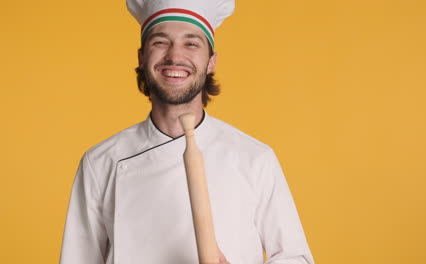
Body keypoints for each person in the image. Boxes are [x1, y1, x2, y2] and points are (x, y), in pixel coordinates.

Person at [60, 0, 314, 263]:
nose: (174, 56)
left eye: (191, 44)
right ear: (141, 57)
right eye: (160, 42)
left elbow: (296, 258)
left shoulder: (254, 158)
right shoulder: (101, 162)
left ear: (211, 61)